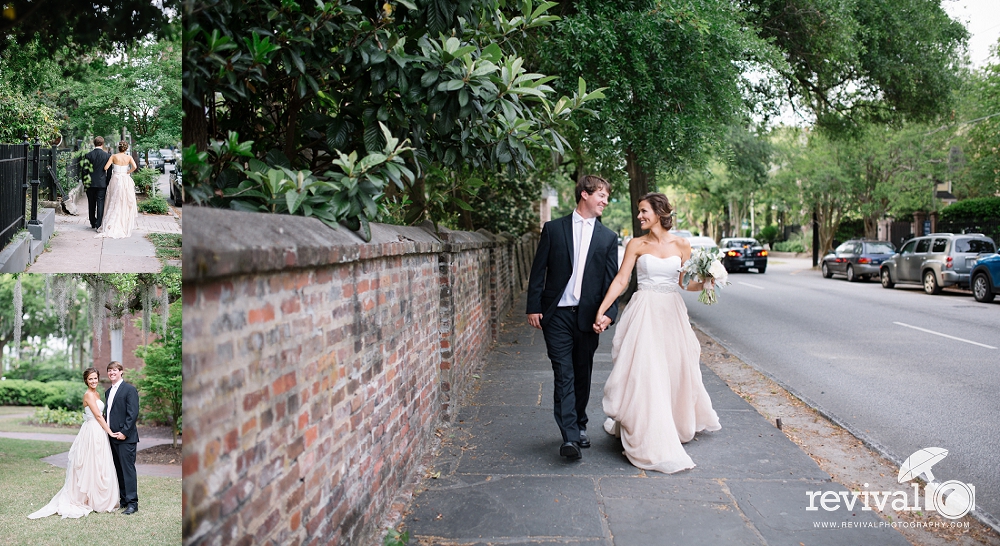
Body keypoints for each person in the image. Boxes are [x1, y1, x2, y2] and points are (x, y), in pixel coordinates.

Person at [593, 193, 721, 473]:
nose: (639, 216)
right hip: (644, 311)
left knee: (673, 368)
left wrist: (709, 281)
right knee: (645, 370)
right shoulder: (636, 244)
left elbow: (685, 284)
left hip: (671, 313)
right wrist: (603, 309)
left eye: (643, 211)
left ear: (659, 212)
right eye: (639, 211)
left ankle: (671, 423)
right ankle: (646, 427)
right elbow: (622, 279)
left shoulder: (682, 245)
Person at [526, 175, 620, 460]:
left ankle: (579, 422)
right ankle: (569, 437)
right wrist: (533, 306)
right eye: (601, 195)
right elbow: (538, 268)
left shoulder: (608, 237)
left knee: (582, 374)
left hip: (589, 318)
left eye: (606, 197)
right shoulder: (553, 229)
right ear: (584, 194)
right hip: (556, 316)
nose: (605, 201)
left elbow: (610, 283)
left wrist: (609, 315)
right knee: (563, 373)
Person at [28, 368, 121, 519]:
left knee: (98, 463)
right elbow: (98, 415)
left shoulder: (97, 393)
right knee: (89, 462)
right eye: (90, 379)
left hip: (99, 431)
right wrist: (110, 432)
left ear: (98, 378)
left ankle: (96, 498)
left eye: (95, 378)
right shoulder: (88, 395)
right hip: (91, 431)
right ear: (86, 380)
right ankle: (86, 498)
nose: (93, 381)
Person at [104, 361, 140, 514]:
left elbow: (133, 414)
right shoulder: (108, 392)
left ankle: (133, 503)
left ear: (121, 372)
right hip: (111, 437)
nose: (112, 373)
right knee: (118, 470)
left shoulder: (129, 390)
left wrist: (124, 432)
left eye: (115, 370)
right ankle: (124, 499)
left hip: (126, 437)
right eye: (109, 370)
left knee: (128, 470)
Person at [95, 141, 138, 239]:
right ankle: (122, 224)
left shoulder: (113, 156)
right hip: (125, 180)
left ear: (118, 148)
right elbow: (135, 167)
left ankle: (110, 223)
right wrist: (127, 172)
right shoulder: (129, 157)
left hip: (115, 178)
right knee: (123, 201)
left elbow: (106, 167)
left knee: (112, 200)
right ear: (126, 148)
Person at [84, 136, 113, 230]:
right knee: (100, 203)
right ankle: (98, 223)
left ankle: (92, 222)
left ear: (94, 143)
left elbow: (84, 171)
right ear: (102, 144)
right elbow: (109, 172)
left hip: (90, 183)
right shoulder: (107, 156)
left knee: (91, 203)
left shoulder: (88, 155)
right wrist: (107, 183)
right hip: (102, 184)